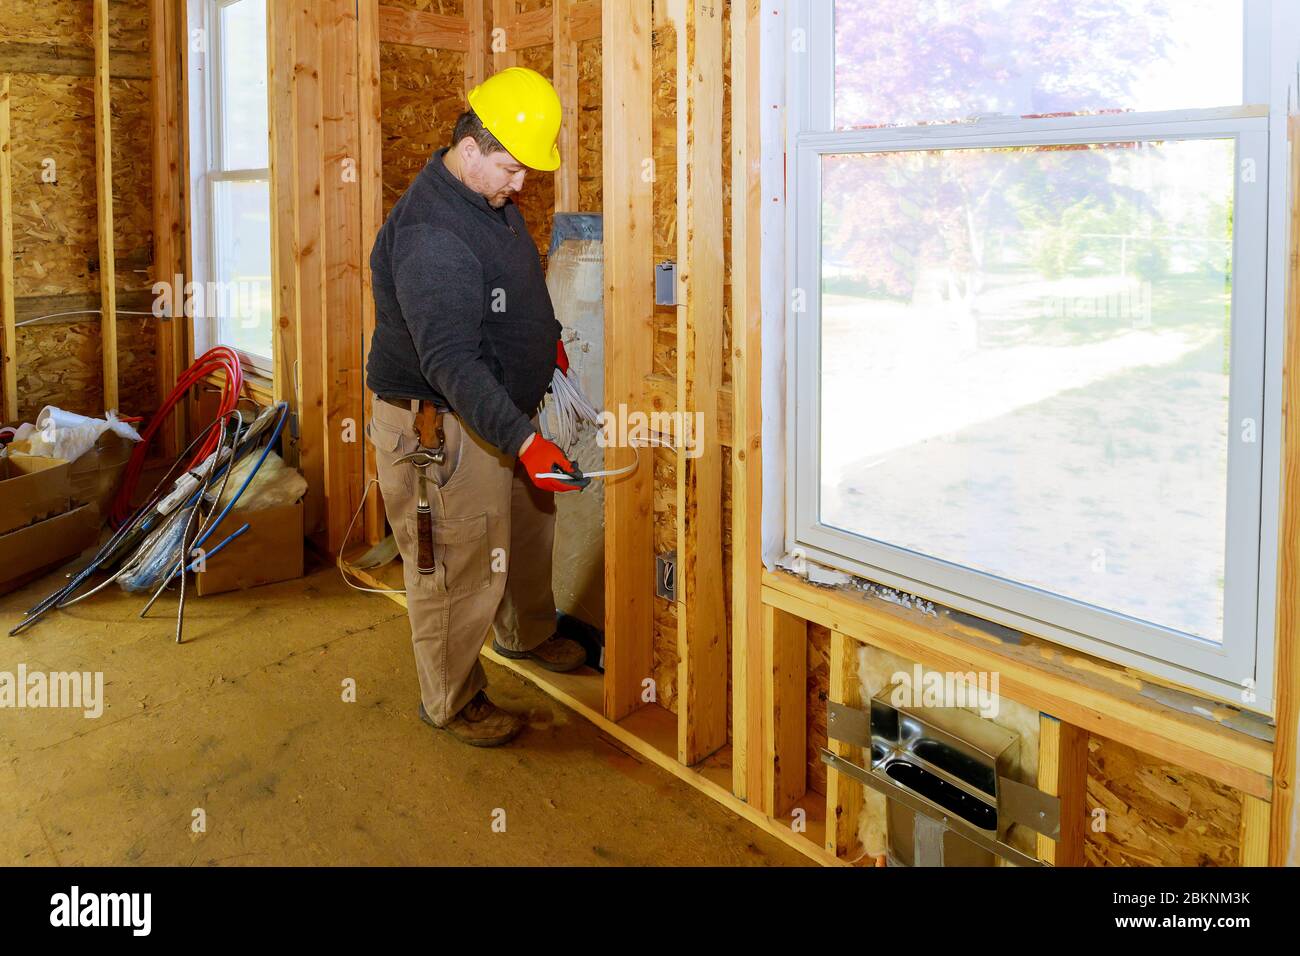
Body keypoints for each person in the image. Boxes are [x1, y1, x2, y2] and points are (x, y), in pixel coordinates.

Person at [365, 67, 589, 747]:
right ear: (470, 149)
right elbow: (451, 362)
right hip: (447, 429)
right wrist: (524, 442)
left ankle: (526, 633)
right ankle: (452, 698)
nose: (521, 184)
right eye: (512, 168)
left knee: (524, 534)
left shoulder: (484, 200)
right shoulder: (432, 236)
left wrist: (544, 347)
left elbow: (509, 294)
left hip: (500, 416)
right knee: (456, 567)